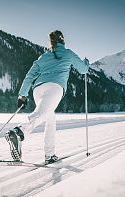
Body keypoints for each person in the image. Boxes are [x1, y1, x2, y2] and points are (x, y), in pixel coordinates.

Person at [5, 30, 89, 164]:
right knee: (42, 114)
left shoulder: (44, 56)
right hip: (55, 88)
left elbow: (30, 75)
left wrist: (22, 95)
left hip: (38, 89)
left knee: (50, 120)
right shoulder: (68, 53)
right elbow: (83, 70)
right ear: (63, 41)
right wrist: (86, 63)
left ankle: (49, 155)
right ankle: (19, 131)